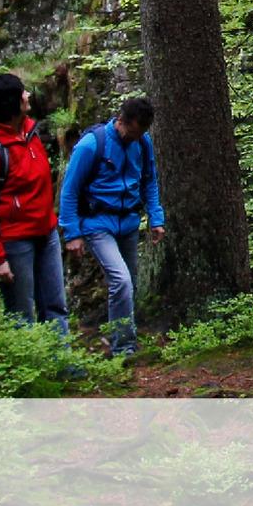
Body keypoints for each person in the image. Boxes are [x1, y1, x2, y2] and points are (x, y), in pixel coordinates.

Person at [0, 71, 64, 334]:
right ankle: (29, 360)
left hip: (46, 232)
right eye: (22, 93)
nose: (27, 95)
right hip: (15, 242)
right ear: (12, 104)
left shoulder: (30, 132)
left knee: (55, 306)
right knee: (21, 314)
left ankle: (62, 357)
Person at [59, 94, 163, 356]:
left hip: (128, 221)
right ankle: (123, 347)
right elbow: (69, 190)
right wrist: (72, 233)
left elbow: (149, 180)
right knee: (122, 281)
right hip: (97, 223)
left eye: (140, 134)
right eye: (132, 132)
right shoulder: (91, 145)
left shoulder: (142, 143)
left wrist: (156, 217)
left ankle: (122, 336)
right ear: (121, 120)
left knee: (130, 283)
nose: (134, 138)